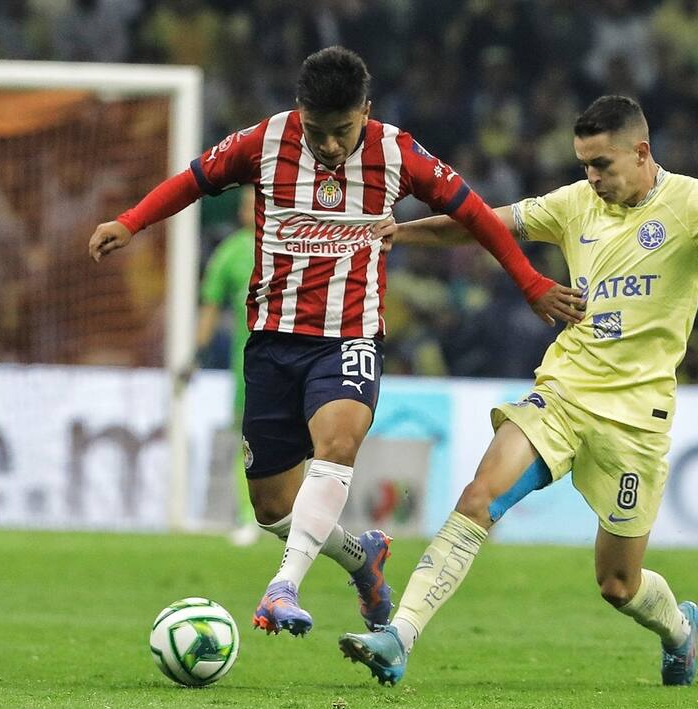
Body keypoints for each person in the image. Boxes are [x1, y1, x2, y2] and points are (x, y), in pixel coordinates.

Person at [88, 46, 584, 638]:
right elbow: (193, 181)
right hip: (271, 341)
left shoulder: (397, 152)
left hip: (349, 336)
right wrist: (130, 221)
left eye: (342, 131)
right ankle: (362, 558)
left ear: (366, 112)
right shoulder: (263, 142)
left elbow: (474, 213)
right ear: (300, 113)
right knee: (273, 508)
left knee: (338, 440)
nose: (327, 145)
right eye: (317, 131)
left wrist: (530, 282)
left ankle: (283, 588)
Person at [339, 95, 698, 686]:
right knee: (477, 498)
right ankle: (399, 636)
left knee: (618, 584)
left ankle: (679, 629)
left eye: (602, 165)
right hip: (563, 395)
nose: (591, 178)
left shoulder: (693, 199)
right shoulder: (573, 204)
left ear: (641, 152)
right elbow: (483, 224)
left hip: (636, 421)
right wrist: (401, 234)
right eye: (584, 165)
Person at [196, 186, 258, 541]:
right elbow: (210, 305)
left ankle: (301, 518)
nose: (251, 210)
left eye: (258, 203)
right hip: (247, 364)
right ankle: (249, 518)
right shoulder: (231, 253)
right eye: (247, 205)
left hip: (299, 358)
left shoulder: (293, 245)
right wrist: (197, 352)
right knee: (246, 441)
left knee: (303, 441)